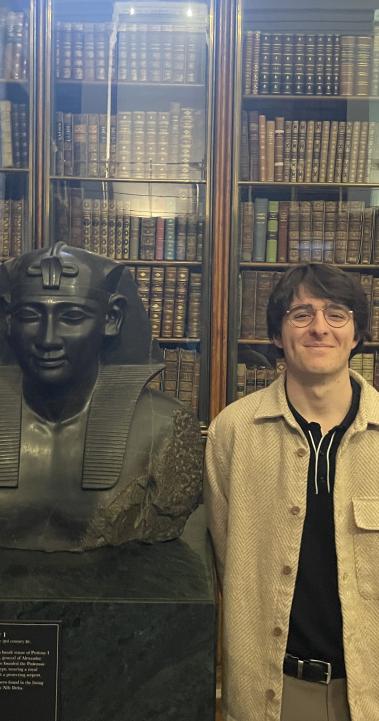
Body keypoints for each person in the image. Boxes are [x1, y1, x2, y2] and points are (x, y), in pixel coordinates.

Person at [204, 263, 379, 721]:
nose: (319, 328)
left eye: (336, 314)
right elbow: (221, 565)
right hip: (269, 695)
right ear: (279, 336)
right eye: (301, 315)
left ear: (357, 333)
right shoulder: (233, 434)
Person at [0, 242, 202, 552]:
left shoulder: (166, 427)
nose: (48, 339)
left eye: (72, 316)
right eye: (31, 315)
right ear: (8, 320)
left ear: (112, 318)